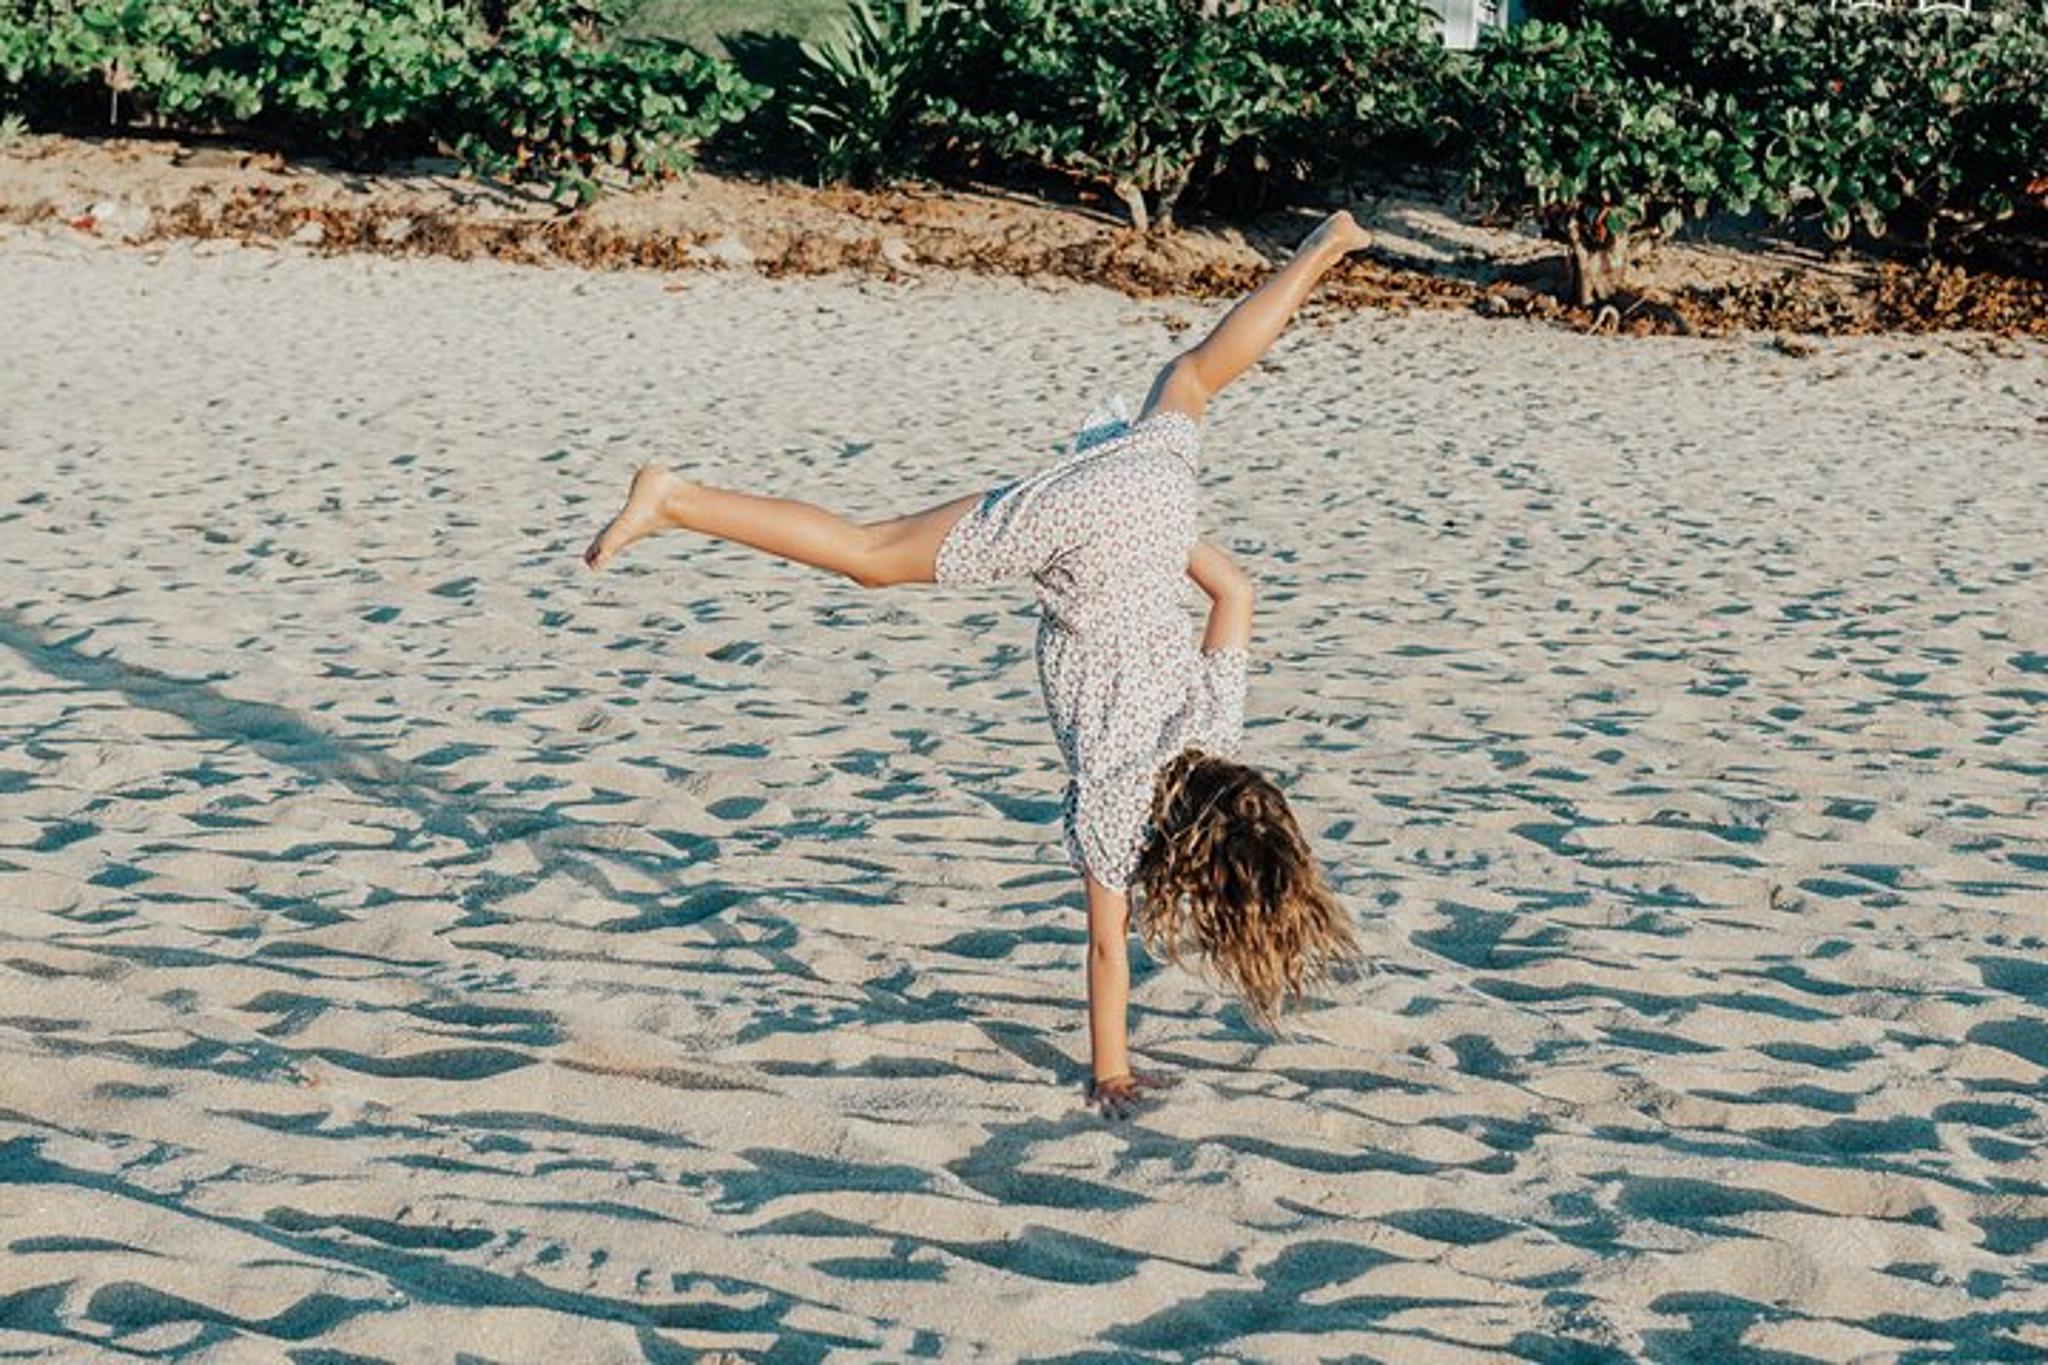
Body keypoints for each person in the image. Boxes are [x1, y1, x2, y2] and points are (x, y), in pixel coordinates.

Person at [584, 210, 1373, 1120]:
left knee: (1194, 373)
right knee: (872, 555)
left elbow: (1233, 593)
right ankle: (675, 498)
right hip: (1084, 533)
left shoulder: (1215, 728)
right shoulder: (1119, 814)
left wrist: (1155, 535)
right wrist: (1109, 1072)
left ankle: (1317, 254)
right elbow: (1108, 953)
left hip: (1151, 498)